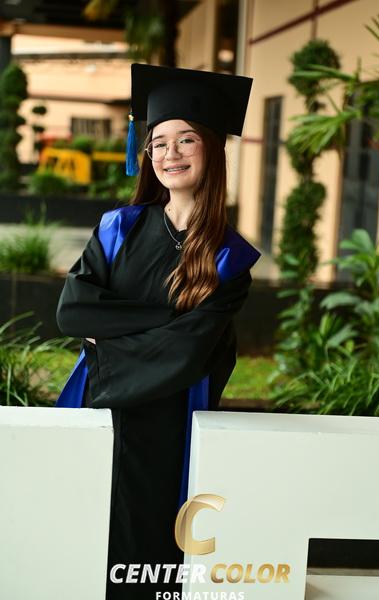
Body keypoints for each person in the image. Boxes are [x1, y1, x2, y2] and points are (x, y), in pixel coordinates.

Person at [55, 63, 260, 599]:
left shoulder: (229, 259)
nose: (171, 154)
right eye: (159, 142)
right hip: (99, 409)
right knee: (81, 541)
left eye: (186, 139)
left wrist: (108, 339)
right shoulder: (118, 228)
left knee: (150, 558)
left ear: (212, 148)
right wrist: (170, 318)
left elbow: (188, 354)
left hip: (170, 420)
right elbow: (73, 312)